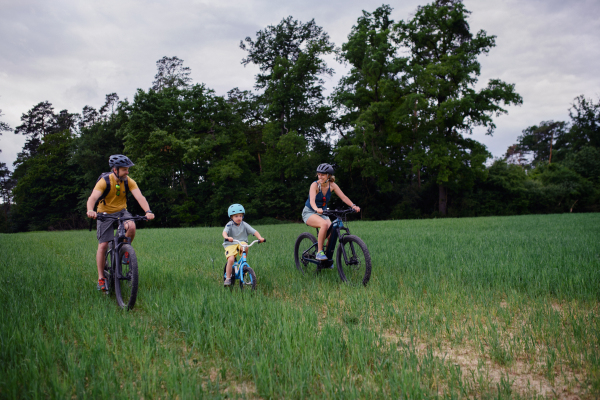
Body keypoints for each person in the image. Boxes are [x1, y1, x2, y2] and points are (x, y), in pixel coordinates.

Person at [86, 154, 155, 292]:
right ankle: (101, 278)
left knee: (131, 226)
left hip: (121, 211)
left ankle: (125, 253)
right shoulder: (105, 181)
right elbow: (92, 197)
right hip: (104, 213)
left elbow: (139, 196)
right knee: (103, 245)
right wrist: (90, 210)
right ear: (115, 170)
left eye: (127, 169)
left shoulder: (128, 181)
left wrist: (148, 211)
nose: (127, 172)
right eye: (124, 169)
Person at [302, 163, 360, 260]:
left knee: (332, 234)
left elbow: (343, 197)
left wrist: (353, 205)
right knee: (324, 225)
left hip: (323, 213)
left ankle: (327, 260)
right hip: (310, 212)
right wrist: (316, 209)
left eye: (323, 175)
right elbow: (312, 200)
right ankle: (319, 252)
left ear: (328, 176)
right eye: (319, 174)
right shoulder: (314, 185)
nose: (320, 177)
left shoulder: (332, 185)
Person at [222, 204, 265, 286]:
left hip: (241, 242)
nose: (239, 218)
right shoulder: (229, 224)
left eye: (241, 216)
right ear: (231, 217)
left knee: (245, 246)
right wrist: (227, 237)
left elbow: (254, 231)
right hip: (230, 243)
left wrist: (260, 237)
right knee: (231, 260)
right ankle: (228, 278)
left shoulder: (244, 224)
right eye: (236, 216)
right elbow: (224, 232)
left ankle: (243, 265)